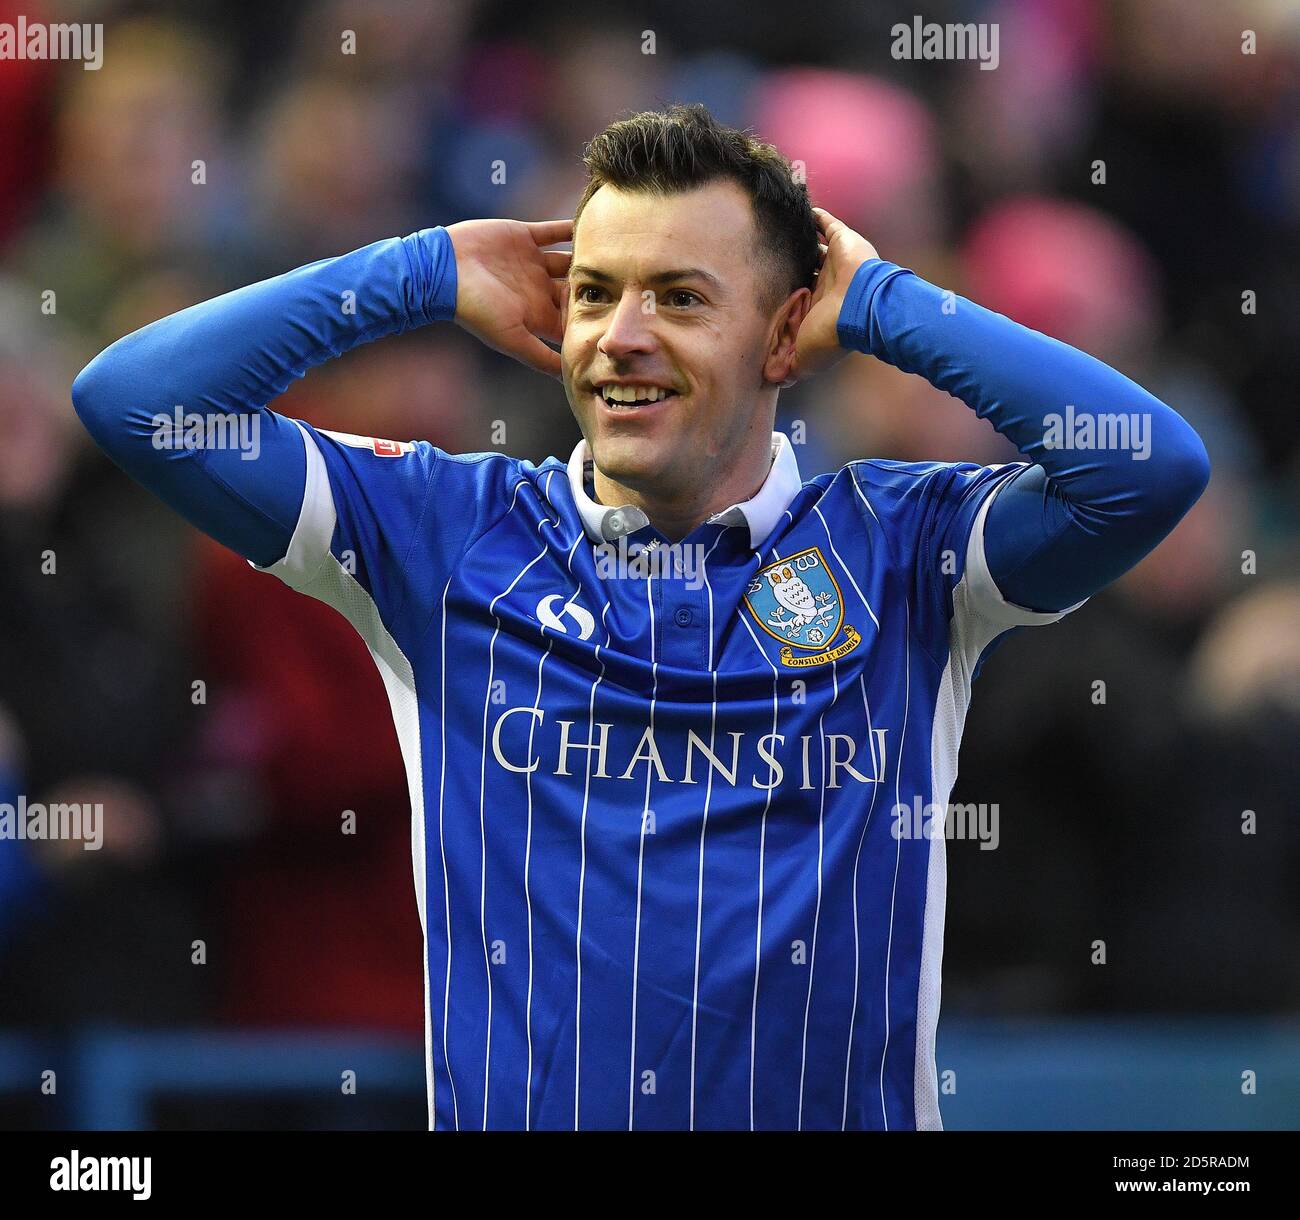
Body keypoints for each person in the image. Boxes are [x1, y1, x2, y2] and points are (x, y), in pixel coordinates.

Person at [70, 104, 1210, 1130]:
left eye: (678, 297)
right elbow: (137, 401)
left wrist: (884, 307)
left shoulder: (903, 552)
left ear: (782, 338)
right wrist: (419, 268)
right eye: (594, 291)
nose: (620, 334)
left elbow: (1148, 467)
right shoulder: (443, 535)